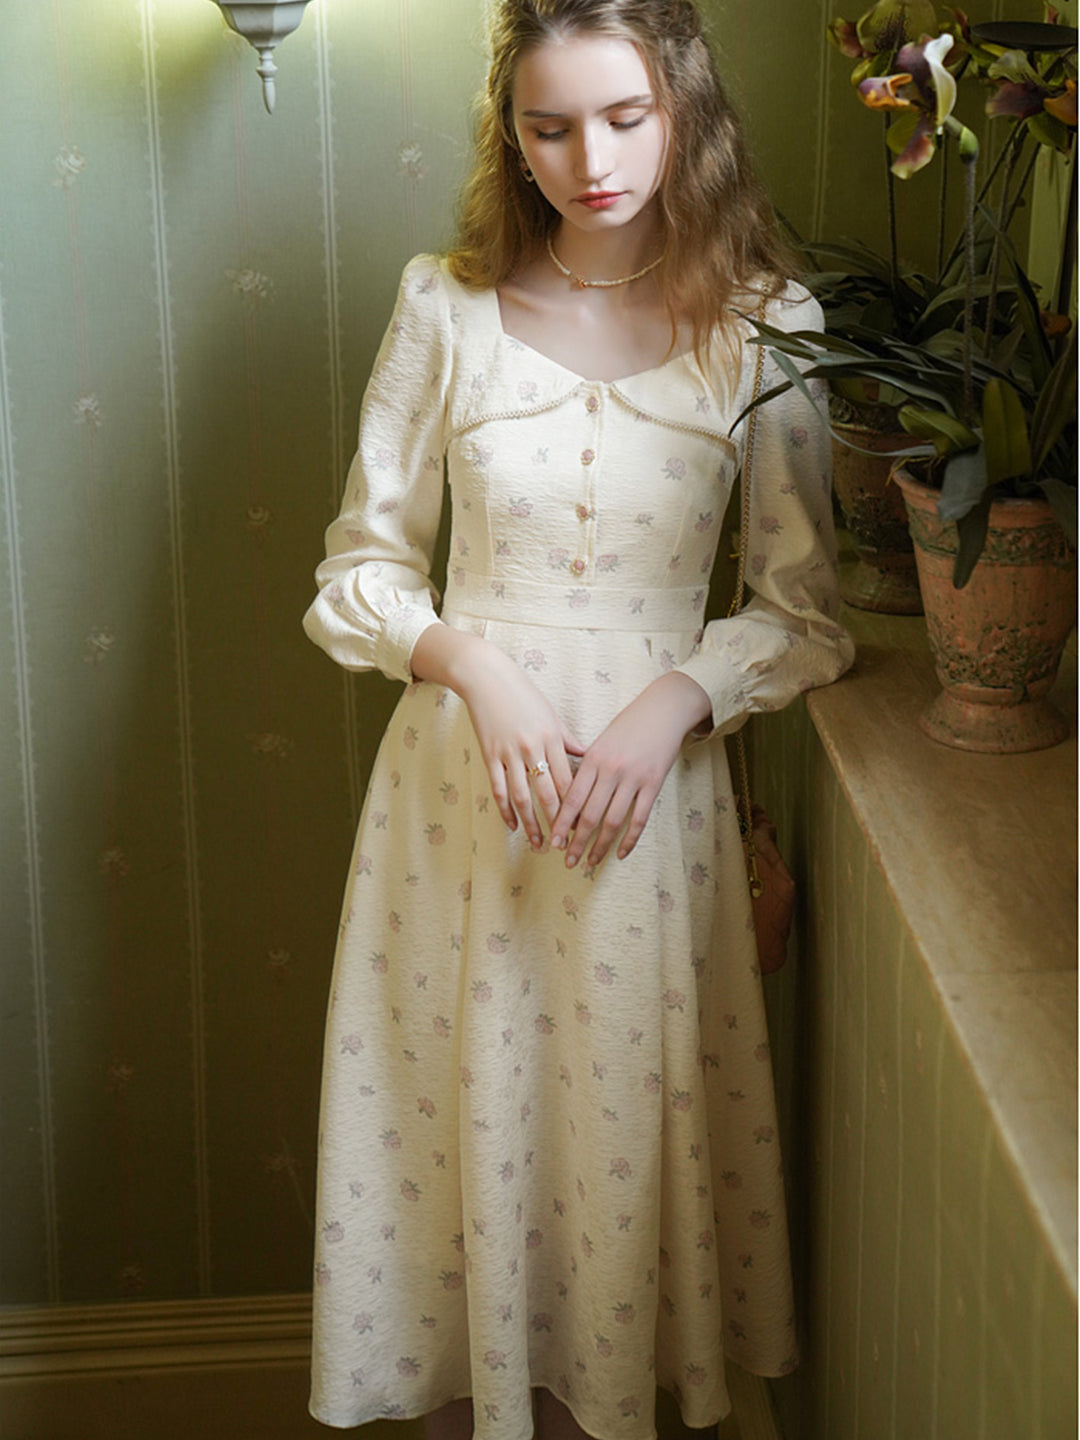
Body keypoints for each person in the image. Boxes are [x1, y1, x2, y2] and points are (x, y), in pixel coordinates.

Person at [302, 2, 853, 1436]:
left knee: (614, 1137)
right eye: (548, 128)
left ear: (686, 113)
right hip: (458, 813)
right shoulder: (445, 308)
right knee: (457, 1132)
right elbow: (358, 574)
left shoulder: (768, 326)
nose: (589, 161)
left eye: (624, 118)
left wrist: (673, 702)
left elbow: (802, 611)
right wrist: (475, 668)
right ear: (511, 133)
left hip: (648, 824)